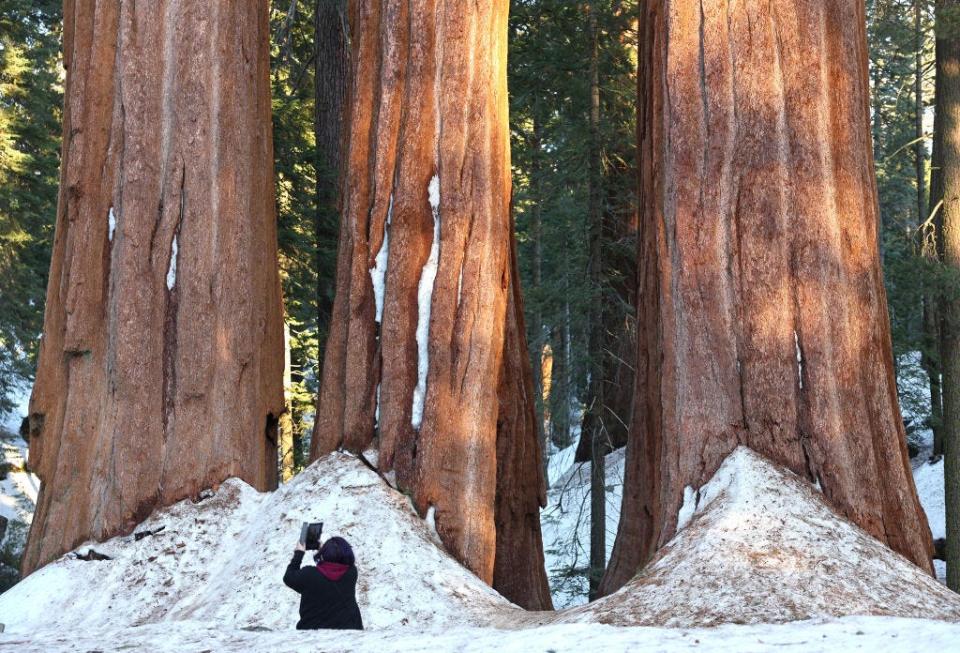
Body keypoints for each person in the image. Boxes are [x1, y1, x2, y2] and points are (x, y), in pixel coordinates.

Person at [283, 535, 364, 630]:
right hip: (349, 632)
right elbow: (330, 568)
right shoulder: (351, 572)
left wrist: (299, 553)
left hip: (313, 635)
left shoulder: (308, 575)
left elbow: (288, 577)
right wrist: (325, 551)